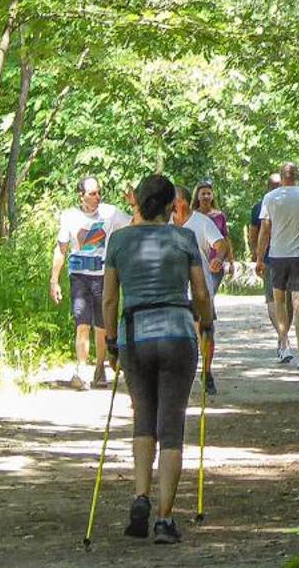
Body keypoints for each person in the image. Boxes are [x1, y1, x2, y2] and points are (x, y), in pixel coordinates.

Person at [103, 173, 214, 544]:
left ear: (137, 202)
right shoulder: (183, 238)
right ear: (171, 207)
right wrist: (208, 321)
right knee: (171, 427)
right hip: (178, 335)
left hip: (135, 335)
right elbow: (199, 291)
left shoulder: (118, 241)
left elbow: (108, 299)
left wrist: (112, 341)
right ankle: (165, 520)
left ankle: (140, 496)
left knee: (142, 420)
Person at [50, 176, 122, 390]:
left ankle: (100, 369)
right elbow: (61, 249)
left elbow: (136, 221)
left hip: (103, 276)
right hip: (79, 276)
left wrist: (136, 203)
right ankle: (82, 369)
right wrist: (54, 280)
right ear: (81, 196)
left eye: (99, 192)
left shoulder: (111, 213)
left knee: (101, 326)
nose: (97, 197)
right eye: (92, 193)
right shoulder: (70, 217)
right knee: (82, 323)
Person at [254, 162, 299, 368]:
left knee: (279, 302)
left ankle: (284, 346)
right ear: (297, 175)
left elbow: (264, 231)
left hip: (277, 256)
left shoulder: (270, 198)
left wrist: (259, 258)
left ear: (282, 176)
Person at [173, 186, 230, 396]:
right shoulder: (166, 223)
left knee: (206, 329)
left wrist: (218, 257)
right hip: (174, 288)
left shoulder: (201, 222)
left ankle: (206, 372)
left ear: (184, 201)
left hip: (200, 287)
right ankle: (181, 374)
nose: (172, 204)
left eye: (175, 200)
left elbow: (221, 243)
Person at [247, 172, 281, 320]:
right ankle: (283, 333)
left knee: (272, 298)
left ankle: (282, 335)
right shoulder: (260, 207)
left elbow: (253, 235)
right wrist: (256, 254)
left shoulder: (259, 206)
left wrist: (256, 254)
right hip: (279, 256)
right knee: (280, 298)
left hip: (269, 257)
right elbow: (253, 234)